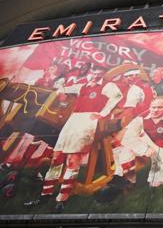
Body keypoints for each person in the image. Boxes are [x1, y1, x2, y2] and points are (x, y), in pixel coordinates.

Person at [24, 66, 123, 212]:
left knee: (72, 159)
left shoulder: (107, 86)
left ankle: (62, 199)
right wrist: (61, 96)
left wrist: (103, 113)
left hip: (88, 121)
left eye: (99, 74)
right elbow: (61, 90)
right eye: (93, 73)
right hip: (72, 121)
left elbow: (117, 96)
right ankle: (45, 195)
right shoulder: (81, 86)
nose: (95, 76)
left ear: (102, 75)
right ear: (90, 73)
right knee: (56, 157)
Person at [99, 97, 163, 201]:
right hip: (144, 142)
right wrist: (144, 149)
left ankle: (158, 177)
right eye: (153, 107)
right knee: (124, 152)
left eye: (159, 107)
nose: (155, 110)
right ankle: (127, 181)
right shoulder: (142, 117)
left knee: (156, 181)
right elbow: (127, 137)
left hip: (161, 147)